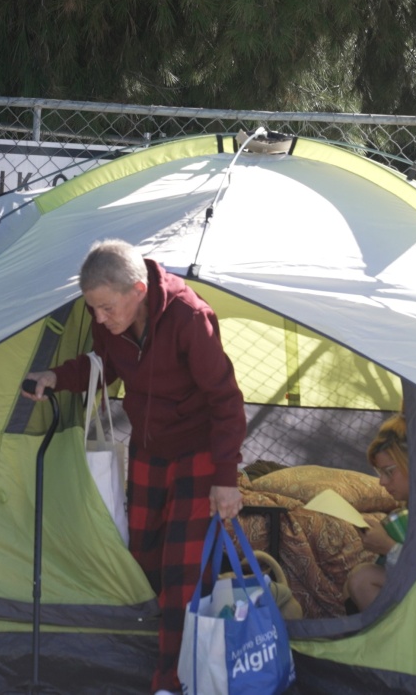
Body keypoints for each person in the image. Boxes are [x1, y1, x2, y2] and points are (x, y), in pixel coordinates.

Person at [22, 239, 246, 695]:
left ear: (138, 290)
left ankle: (172, 683)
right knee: (141, 558)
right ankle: (145, 657)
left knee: (183, 575)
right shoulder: (109, 318)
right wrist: (55, 378)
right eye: (93, 309)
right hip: (148, 451)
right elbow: (103, 366)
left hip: (198, 454)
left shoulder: (189, 318)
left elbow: (227, 400)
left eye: (105, 308)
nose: (98, 319)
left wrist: (225, 479)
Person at [346, 414, 409, 611]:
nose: (382, 482)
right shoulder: (412, 509)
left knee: (363, 579)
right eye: (379, 473)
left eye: (390, 471)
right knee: (351, 583)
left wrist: (389, 547)